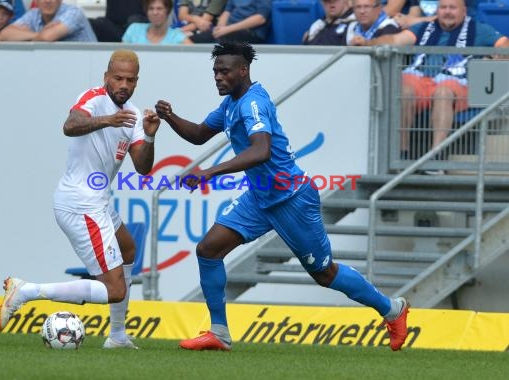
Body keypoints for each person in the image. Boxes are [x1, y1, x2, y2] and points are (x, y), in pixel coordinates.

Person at [154, 41, 410, 352]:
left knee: (324, 273)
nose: (218, 77)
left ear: (243, 70)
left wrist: (209, 173)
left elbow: (261, 151)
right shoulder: (231, 104)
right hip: (260, 197)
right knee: (208, 250)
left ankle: (392, 309)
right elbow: (198, 134)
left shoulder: (253, 104)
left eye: (224, 71)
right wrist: (170, 116)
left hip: (291, 198)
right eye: (215, 72)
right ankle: (219, 332)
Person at [0, 49, 161, 349]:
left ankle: (117, 336)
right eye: (118, 78)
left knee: (128, 248)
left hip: (98, 202)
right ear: (106, 77)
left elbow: (143, 167)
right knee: (114, 289)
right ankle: (26, 291)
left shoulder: (135, 115)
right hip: (79, 203)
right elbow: (69, 126)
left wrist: (149, 136)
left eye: (131, 79)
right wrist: (108, 121)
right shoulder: (93, 98)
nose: (124, 84)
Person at [354, 0, 509, 169]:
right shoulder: (424, 27)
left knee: (443, 92)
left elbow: (503, 44)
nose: (447, 12)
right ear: (437, 11)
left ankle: (436, 158)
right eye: (443, 8)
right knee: (403, 89)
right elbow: (394, 40)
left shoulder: (479, 28)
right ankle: (401, 157)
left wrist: (500, 53)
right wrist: (368, 43)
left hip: (456, 82)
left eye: (452, 8)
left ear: (464, 11)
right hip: (421, 79)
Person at [0, 0, 97, 42]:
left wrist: (24, 36)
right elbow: (5, 34)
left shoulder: (74, 12)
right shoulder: (34, 14)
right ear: (36, 1)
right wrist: (37, 35)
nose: (48, 0)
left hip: (88, 68)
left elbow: (47, 37)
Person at [189, 0, 271, 44]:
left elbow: (260, 18)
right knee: (193, 39)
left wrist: (227, 29)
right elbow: (227, 12)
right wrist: (220, 27)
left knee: (218, 43)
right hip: (228, 30)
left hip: (250, 32)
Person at [121, 0, 192, 44]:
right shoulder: (134, 29)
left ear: (167, 11)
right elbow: (118, 57)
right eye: (151, 9)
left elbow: (196, 55)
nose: (155, 12)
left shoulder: (176, 36)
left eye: (159, 8)